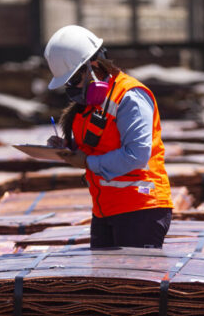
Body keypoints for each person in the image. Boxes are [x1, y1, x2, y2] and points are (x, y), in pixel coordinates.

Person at [43, 25, 173, 248]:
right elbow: (98, 145)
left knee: (130, 283)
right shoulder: (92, 105)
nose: (71, 89)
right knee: (105, 282)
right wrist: (67, 147)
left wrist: (87, 162)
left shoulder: (130, 96)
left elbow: (137, 154)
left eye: (74, 80)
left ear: (93, 66)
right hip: (106, 208)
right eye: (68, 83)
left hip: (140, 209)